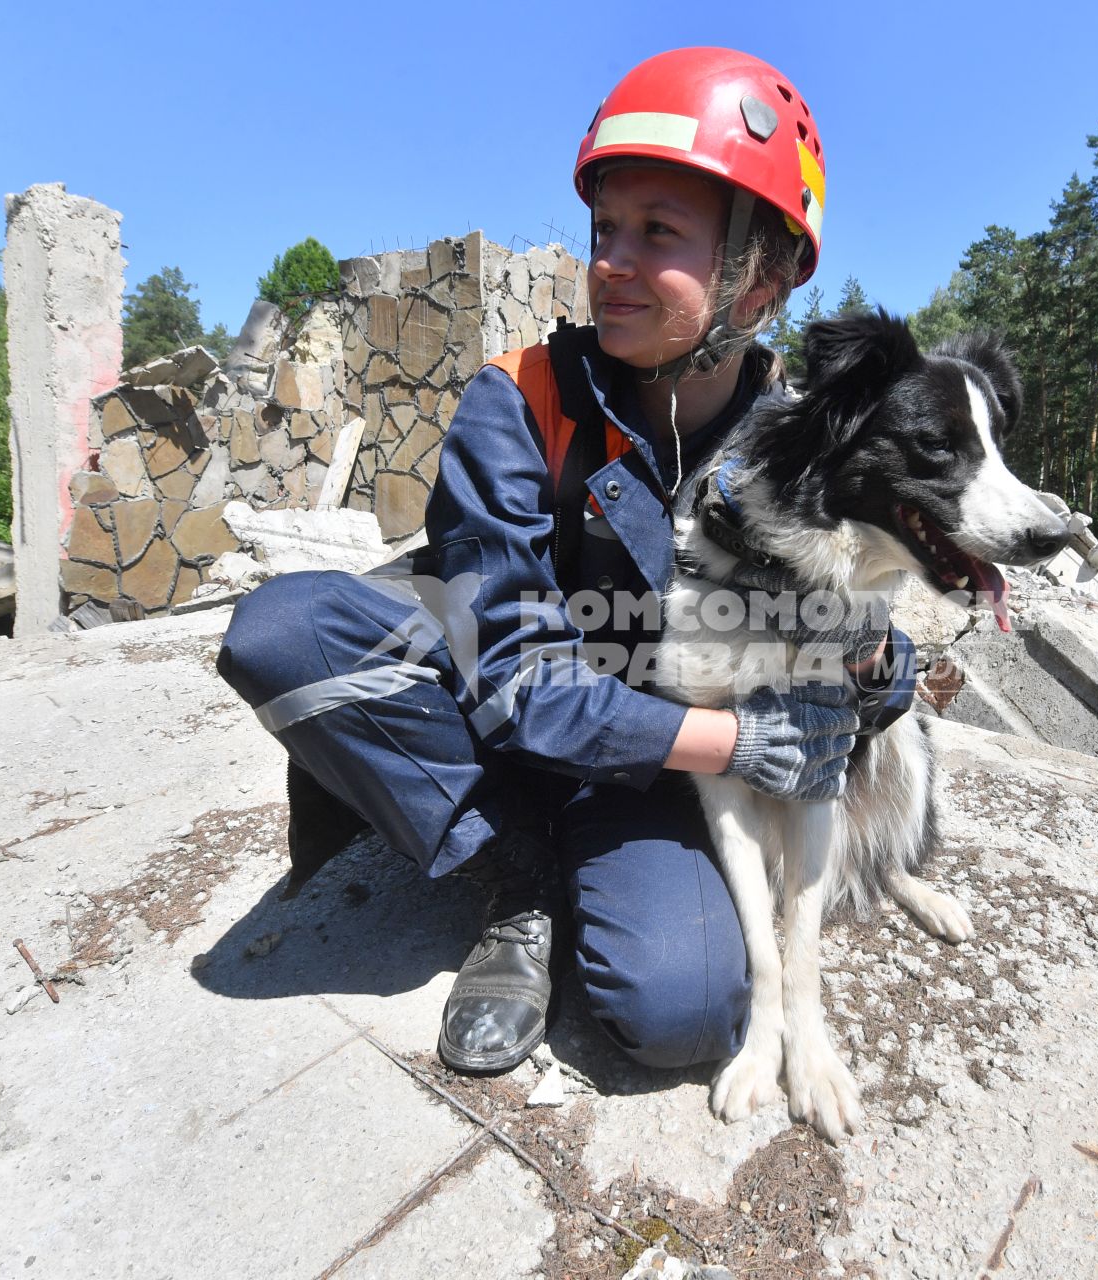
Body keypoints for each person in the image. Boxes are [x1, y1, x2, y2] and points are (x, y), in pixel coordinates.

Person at [216, 47, 915, 1077]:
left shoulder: (797, 444)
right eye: (604, 230)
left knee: (682, 1009)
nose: (610, 263)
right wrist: (734, 738)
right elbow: (509, 668)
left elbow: (857, 625)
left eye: (658, 233)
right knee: (287, 633)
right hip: (512, 721)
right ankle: (517, 874)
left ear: (759, 281)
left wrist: (871, 667)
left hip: (648, 771)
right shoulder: (522, 398)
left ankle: (587, 848)